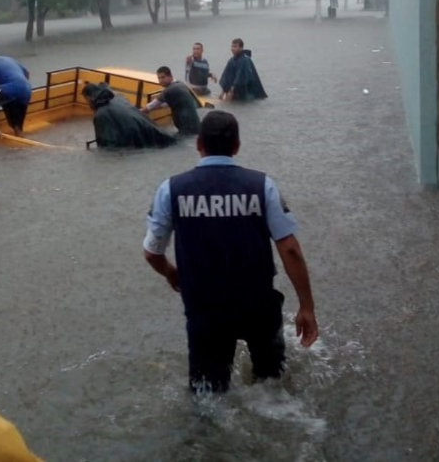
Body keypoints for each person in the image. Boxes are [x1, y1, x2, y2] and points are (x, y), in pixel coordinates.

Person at [142, 110, 318, 393]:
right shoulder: (263, 186)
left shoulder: (171, 190)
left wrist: (171, 273)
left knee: (207, 395)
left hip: (205, 308)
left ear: (198, 143)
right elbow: (290, 249)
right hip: (258, 303)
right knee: (274, 386)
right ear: (237, 146)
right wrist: (306, 306)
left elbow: (152, 252)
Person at [81, 82, 177, 149]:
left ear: (89, 98)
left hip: (141, 138)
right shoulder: (118, 98)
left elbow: (107, 146)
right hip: (156, 132)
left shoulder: (101, 114)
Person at [142, 66, 202, 136]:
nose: (161, 80)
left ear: (170, 76)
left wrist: (138, 111)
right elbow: (169, 104)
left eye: (163, 77)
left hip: (186, 130)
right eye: (159, 78)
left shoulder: (169, 90)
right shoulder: (181, 84)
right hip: (197, 126)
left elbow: (151, 106)